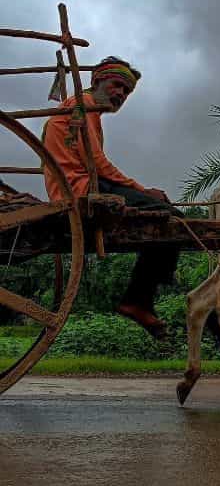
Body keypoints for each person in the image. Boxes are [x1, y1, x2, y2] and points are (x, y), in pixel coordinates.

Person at [41, 57, 183, 340]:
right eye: (116, 85)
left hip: (78, 186)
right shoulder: (82, 107)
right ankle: (138, 299)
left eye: (126, 92)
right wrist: (143, 190)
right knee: (169, 216)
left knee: (166, 215)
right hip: (81, 190)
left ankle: (144, 294)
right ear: (96, 81)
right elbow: (97, 163)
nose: (120, 94)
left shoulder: (82, 108)